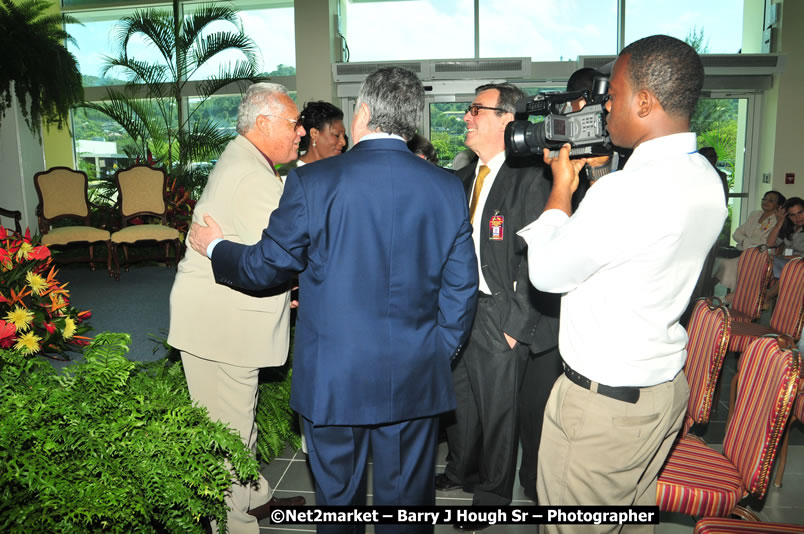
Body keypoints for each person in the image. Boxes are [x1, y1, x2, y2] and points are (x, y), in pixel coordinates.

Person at [187, 66, 478, 534]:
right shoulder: (446, 187)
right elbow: (461, 288)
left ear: (362, 113)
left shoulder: (313, 183)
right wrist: (434, 353)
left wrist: (217, 247)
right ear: (412, 123)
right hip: (414, 375)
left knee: (338, 507)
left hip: (333, 380)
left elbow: (266, 267)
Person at [518, 35, 727, 533]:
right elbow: (632, 250)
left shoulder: (627, 189)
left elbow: (546, 273)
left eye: (612, 94)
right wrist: (595, 189)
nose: (604, 107)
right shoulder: (704, 178)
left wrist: (561, 191)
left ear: (645, 101)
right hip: (660, 392)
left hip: (602, 411)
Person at [167, 82, 307, 534]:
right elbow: (289, 250)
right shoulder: (251, 175)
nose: (301, 131)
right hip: (218, 327)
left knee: (235, 420)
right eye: (293, 123)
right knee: (225, 435)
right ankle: (232, 523)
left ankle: (252, 497)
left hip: (221, 320)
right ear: (263, 124)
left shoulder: (246, 161)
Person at [435, 82, 560, 525]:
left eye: (476, 110)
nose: (466, 117)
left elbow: (537, 256)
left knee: (499, 414)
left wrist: (514, 323)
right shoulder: (466, 177)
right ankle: (463, 472)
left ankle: (491, 499)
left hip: (498, 313)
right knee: (461, 403)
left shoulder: (530, 177)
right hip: (460, 309)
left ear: (508, 118)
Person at [714, 190, 784, 290]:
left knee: (729, 264)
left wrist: (745, 242)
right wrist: (745, 242)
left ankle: (732, 295)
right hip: (741, 251)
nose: (766, 202)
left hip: (760, 254)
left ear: (778, 205)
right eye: (764, 199)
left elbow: (765, 243)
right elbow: (736, 233)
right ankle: (725, 293)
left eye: (771, 200)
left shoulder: (777, 220)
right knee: (717, 259)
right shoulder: (754, 214)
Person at [767, 196, 804, 278]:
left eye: (800, 213)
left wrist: (784, 257)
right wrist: (780, 222)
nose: (797, 218)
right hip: (786, 263)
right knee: (762, 260)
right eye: (792, 215)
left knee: (774, 262)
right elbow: (770, 243)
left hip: (799, 264)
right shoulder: (790, 228)